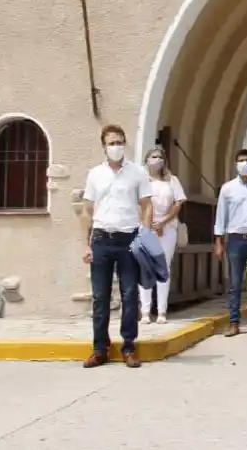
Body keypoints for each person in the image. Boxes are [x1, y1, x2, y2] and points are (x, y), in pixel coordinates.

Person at [81, 124, 152, 369]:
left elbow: (147, 205)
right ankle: (100, 348)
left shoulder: (137, 173)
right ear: (104, 146)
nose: (116, 146)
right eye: (112, 143)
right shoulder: (95, 174)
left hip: (128, 240)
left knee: (130, 295)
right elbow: (87, 211)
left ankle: (129, 347)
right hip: (101, 239)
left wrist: (145, 236)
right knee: (100, 296)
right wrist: (86, 245)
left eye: (120, 142)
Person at [214, 148, 247, 336]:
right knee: (234, 283)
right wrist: (218, 241)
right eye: (241, 160)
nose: (244, 164)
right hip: (236, 239)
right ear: (236, 164)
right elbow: (221, 216)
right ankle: (234, 323)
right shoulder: (227, 188)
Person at [139, 146, 187, 325]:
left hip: (167, 229)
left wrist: (163, 222)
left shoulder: (172, 181)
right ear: (146, 160)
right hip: (145, 228)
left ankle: (161, 311)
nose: (156, 160)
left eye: (159, 157)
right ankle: (145, 311)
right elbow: (138, 204)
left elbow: (178, 203)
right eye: (153, 156)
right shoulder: (141, 180)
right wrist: (150, 224)